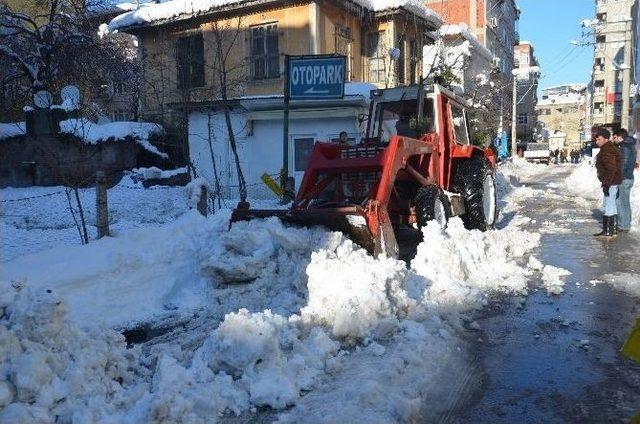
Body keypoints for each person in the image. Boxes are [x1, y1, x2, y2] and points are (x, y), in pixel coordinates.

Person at [593, 127, 623, 237]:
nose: (597, 142)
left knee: (608, 205)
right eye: (596, 140)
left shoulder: (607, 150)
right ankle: (613, 229)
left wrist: (606, 183)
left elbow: (611, 168)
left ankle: (608, 231)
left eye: (599, 139)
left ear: (606, 139)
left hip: (610, 181)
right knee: (612, 205)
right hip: (613, 181)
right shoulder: (609, 147)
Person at [612, 128, 637, 232]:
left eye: (615, 137)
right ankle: (623, 223)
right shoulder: (629, 145)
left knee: (622, 202)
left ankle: (624, 226)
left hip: (624, 178)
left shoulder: (625, 147)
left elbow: (624, 164)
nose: (613, 139)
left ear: (620, 137)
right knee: (621, 201)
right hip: (627, 177)